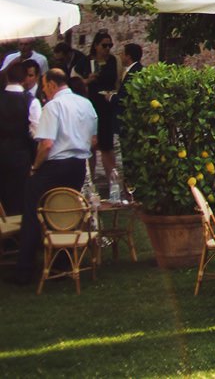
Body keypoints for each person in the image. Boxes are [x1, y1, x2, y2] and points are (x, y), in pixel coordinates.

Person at [10, 68, 97, 285]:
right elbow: (94, 140)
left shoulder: (53, 106)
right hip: (78, 165)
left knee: (33, 209)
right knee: (66, 209)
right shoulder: (85, 103)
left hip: (56, 165)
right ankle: (62, 260)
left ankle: (25, 268)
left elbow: (46, 144)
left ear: (50, 85)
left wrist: (35, 167)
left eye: (44, 86)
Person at [0, 60, 39, 219]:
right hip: (21, 155)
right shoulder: (31, 101)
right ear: (24, 79)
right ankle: (19, 236)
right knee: (21, 196)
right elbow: (37, 133)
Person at [86, 31, 119, 188]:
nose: (107, 48)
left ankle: (112, 183)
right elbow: (75, 81)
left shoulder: (113, 61)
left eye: (110, 45)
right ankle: (90, 182)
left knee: (107, 145)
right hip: (91, 105)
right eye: (104, 45)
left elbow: (118, 80)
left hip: (106, 108)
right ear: (96, 46)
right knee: (91, 145)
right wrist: (87, 80)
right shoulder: (86, 62)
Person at [112, 42, 143, 143]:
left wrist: (111, 97)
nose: (120, 56)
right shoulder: (135, 69)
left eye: (122, 53)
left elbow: (125, 97)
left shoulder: (134, 72)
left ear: (128, 56)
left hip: (129, 120)